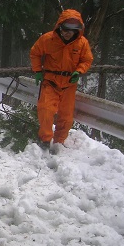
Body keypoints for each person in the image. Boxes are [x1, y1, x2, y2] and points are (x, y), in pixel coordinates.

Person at [30, 9, 93, 150]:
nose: (66, 33)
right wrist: (38, 71)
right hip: (50, 82)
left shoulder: (82, 43)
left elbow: (87, 60)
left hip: (69, 84)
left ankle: (59, 142)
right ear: (59, 26)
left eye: (71, 30)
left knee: (66, 117)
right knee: (45, 111)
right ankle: (45, 140)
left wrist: (79, 71)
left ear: (77, 30)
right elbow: (35, 53)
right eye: (64, 29)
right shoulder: (48, 39)